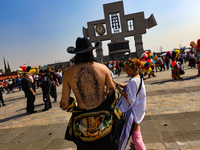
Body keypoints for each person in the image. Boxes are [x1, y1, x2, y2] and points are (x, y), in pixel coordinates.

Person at [60, 37, 122, 150]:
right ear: (92, 51)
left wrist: (73, 102)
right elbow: (113, 93)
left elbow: (64, 104)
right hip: (105, 126)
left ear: (76, 54)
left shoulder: (68, 73)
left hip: (83, 130)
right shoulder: (103, 68)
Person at [113, 58, 146, 150]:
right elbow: (128, 87)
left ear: (134, 69)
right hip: (139, 110)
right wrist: (117, 83)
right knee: (136, 134)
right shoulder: (138, 77)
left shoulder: (132, 81)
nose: (126, 71)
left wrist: (119, 91)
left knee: (125, 135)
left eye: (127, 69)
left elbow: (131, 99)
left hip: (132, 112)